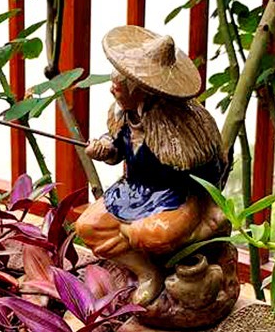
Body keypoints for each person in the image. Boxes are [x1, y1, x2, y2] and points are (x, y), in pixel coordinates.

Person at [75, 26, 228, 305]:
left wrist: (208, 204)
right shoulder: (124, 113)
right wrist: (106, 149)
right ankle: (147, 273)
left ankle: (194, 235)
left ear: (144, 91)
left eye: (121, 84)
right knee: (87, 226)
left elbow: (210, 166)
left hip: (176, 196)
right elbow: (118, 149)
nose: (113, 88)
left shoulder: (185, 124)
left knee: (150, 234)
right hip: (133, 191)